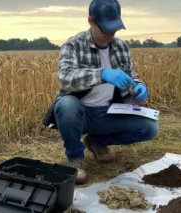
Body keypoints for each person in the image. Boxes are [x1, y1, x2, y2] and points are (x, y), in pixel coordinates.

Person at [48, 0, 159, 184]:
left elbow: (131, 75)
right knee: (66, 105)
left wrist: (140, 87)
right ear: (91, 21)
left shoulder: (121, 46)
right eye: (106, 29)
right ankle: (75, 158)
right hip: (80, 114)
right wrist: (102, 74)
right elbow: (66, 79)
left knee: (150, 128)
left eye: (114, 29)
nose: (111, 34)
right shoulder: (73, 45)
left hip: (109, 112)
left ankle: (97, 141)